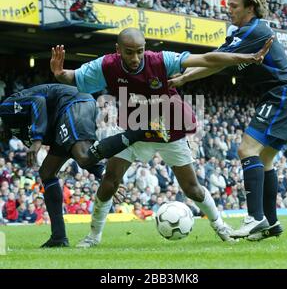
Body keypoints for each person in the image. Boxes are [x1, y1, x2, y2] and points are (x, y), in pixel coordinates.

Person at [50, 27, 271, 247]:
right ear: (118, 50)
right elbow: (74, 77)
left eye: (139, 51)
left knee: (191, 189)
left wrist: (249, 57)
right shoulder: (106, 65)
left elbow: (205, 58)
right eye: (129, 52)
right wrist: (60, 73)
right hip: (132, 130)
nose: (135, 58)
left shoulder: (161, 60)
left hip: (168, 130)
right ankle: (93, 236)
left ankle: (222, 228)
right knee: (110, 181)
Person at [168, 0, 287, 240]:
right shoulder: (242, 33)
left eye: (234, 6)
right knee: (264, 159)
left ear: (250, 8)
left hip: (282, 94)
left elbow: (213, 59)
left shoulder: (255, 31)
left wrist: (182, 69)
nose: (230, 11)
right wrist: (183, 78)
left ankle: (254, 217)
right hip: (281, 95)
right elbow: (216, 62)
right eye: (228, 6)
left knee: (246, 149)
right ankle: (270, 224)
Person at [0, 83, 166, 247]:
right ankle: (58, 237)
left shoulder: (5, 109)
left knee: (83, 156)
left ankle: (145, 128)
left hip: (73, 103)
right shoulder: (15, 131)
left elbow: (38, 102)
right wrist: (101, 174)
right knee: (47, 172)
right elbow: (73, 149)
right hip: (64, 117)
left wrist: (37, 140)